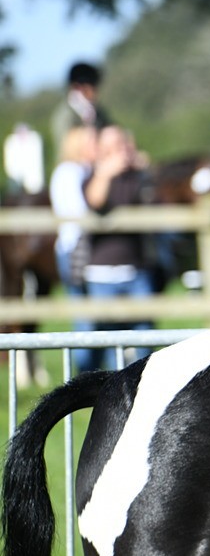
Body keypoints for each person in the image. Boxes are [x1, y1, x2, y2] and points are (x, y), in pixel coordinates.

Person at [83, 125, 155, 370]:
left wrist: (145, 169)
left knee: (145, 340)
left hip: (136, 270)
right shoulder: (92, 175)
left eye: (122, 146)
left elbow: (156, 201)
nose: (118, 152)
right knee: (109, 342)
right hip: (102, 274)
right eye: (111, 148)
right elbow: (94, 201)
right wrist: (105, 173)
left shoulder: (138, 177)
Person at [49, 125, 100, 372]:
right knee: (84, 316)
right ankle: (84, 373)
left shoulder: (82, 170)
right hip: (75, 249)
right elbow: (81, 210)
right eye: (92, 141)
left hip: (80, 247)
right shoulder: (70, 172)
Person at [52, 62, 113, 156]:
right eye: (93, 86)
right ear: (78, 87)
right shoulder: (66, 115)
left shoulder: (96, 112)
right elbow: (68, 150)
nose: (96, 91)